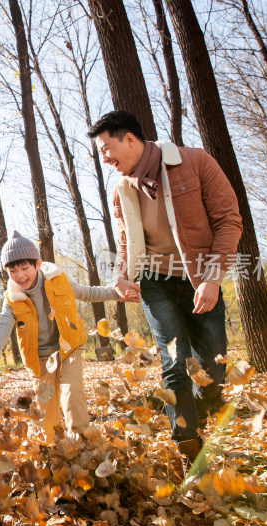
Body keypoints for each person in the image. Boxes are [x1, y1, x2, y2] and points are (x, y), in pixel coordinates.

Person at [87, 110, 242, 467]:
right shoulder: (121, 190)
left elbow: (229, 220)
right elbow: (126, 243)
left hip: (201, 277)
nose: (105, 159)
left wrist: (212, 279)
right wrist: (120, 277)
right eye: (100, 153)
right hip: (156, 282)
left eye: (108, 148)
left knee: (213, 363)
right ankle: (188, 445)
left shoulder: (194, 161)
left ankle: (205, 400)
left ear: (130, 139)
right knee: (173, 361)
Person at [0, 231, 123, 442]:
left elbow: (87, 293)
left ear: (37, 264)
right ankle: (52, 452)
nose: (20, 275)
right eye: (13, 271)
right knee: (45, 414)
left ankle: (81, 447)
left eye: (25, 268)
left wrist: (117, 292)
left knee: (72, 394)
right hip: (39, 359)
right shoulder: (12, 298)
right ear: (7, 271)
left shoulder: (58, 280)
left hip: (68, 349)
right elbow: (4, 325)